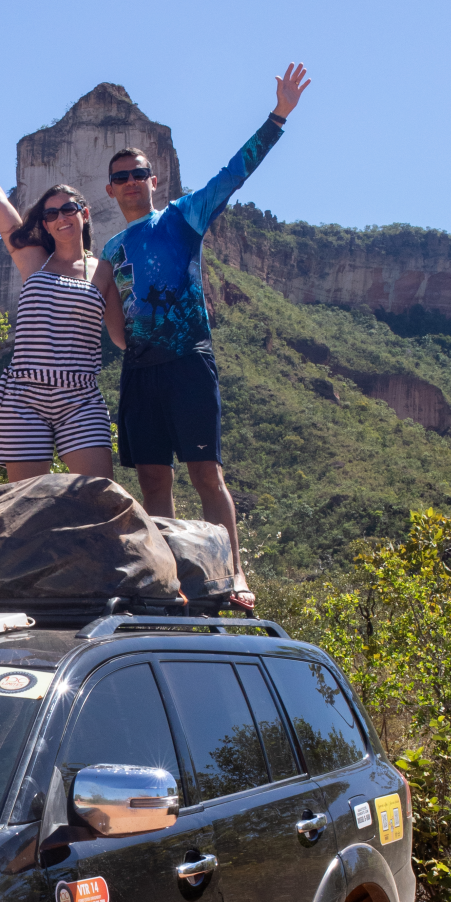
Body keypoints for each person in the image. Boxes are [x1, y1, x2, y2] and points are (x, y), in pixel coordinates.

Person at [103, 63, 312, 608]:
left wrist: (278, 117)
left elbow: (232, 174)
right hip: (139, 372)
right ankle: (168, 579)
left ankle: (235, 573)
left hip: (189, 363)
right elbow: (100, 298)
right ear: (110, 188)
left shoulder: (182, 215)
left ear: (155, 179)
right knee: (152, 481)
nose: (130, 182)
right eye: (120, 176)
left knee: (205, 473)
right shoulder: (111, 249)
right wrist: (123, 343)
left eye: (138, 174)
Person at [0, 124, 126, 483]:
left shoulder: (103, 272)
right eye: (51, 214)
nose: (60, 218)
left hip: (81, 396)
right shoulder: (33, 259)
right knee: (23, 504)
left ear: (84, 214)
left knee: (98, 495)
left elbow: (122, 339)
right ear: (44, 223)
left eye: (68, 209)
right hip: (24, 397)